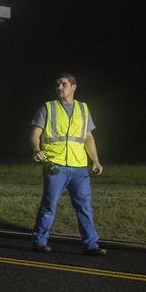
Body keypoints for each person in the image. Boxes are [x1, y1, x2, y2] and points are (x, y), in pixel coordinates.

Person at [30, 73, 105, 256]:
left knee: (84, 206)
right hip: (55, 165)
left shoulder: (83, 109)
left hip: (79, 167)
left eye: (63, 84)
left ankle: (91, 245)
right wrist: (35, 150)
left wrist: (95, 160)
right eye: (57, 84)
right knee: (49, 205)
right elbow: (35, 134)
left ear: (73, 87)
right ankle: (39, 241)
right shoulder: (48, 108)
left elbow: (88, 137)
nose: (59, 87)